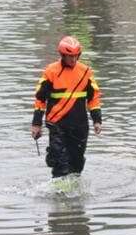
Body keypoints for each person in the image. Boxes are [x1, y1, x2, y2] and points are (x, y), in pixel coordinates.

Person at [31, 36, 102, 178]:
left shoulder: (86, 72)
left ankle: (73, 194)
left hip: (79, 125)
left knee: (77, 164)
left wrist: (97, 120)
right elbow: (40, 99)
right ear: (62, 55)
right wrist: (36, 124)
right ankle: (59, 193)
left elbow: (93, 97)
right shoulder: (51, 71)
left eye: (76, 56)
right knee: (60, 162)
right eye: (70, 56)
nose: (73, 60)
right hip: (57, 124)